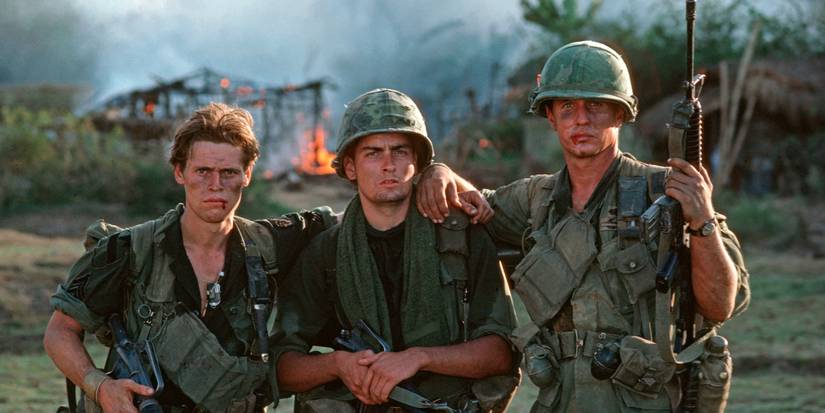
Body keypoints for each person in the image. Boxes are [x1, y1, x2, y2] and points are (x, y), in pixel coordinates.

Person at [416, 41, 750, 412]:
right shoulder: (536, 198)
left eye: (595, 106)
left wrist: (702, 219)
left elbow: (721, 305)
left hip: (643, 401)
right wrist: (439, 171)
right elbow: (472, 204)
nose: (581, 120)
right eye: (567, 107)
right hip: (560, 400)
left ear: (620, 114)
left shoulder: (667, 194)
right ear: (550, 117)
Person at [44, 102, 335, 413]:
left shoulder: (267, 244)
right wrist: (100, 387)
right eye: (203, 171)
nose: (215, 185)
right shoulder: (128, 250)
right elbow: (60, 331)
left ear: (247, 174)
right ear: (179, 172)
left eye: (228, 172)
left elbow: (351, 219)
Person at [272, 88, 520, 413]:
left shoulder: (460, 238)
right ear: (350, 167)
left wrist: (419, 358)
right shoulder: (328, 252)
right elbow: (282, 366)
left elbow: (501, 352)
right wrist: (338, 365)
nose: (388, 165)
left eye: (400, 151)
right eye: (373, 153)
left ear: (417, 161)